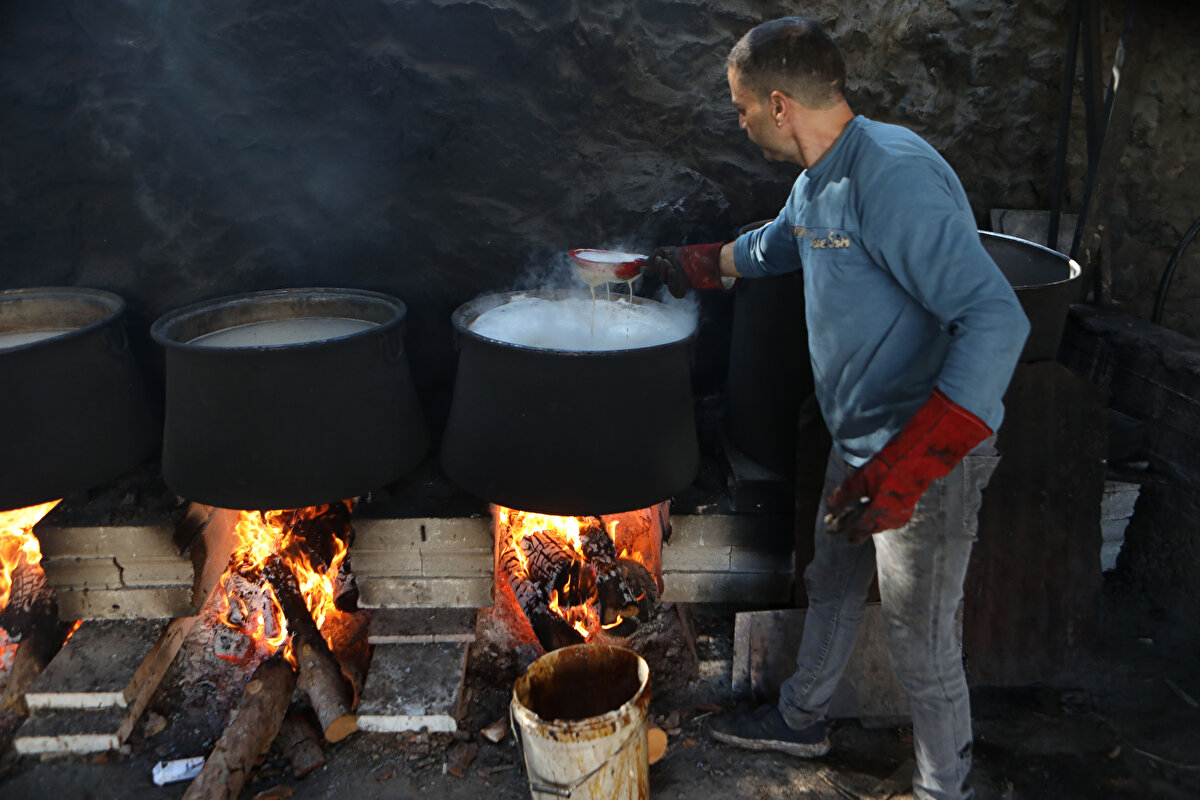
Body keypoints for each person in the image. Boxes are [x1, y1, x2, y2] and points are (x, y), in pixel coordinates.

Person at [650, 17, 1030, 800]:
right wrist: (701, 265)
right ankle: (801, 718)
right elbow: (781, 243)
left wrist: (911, 464)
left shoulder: (892, 176)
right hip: (858, 440)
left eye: (743, 107)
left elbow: (997, 317)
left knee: (920, 641)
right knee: (831, 580)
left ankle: (943, 787)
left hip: (925, 452)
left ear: (780, 103)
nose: (742, 120)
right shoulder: (819, 180)